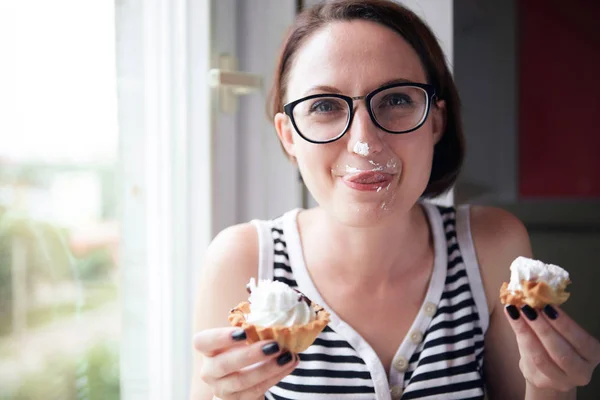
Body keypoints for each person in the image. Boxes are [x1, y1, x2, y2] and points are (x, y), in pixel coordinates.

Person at [190, 1, 600, 399]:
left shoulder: (491, 247)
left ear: (436, 121)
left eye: (397, 100)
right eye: (325, 106)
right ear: (289, 135)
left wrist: (552, 386)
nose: (364, 142)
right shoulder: (244, 263)